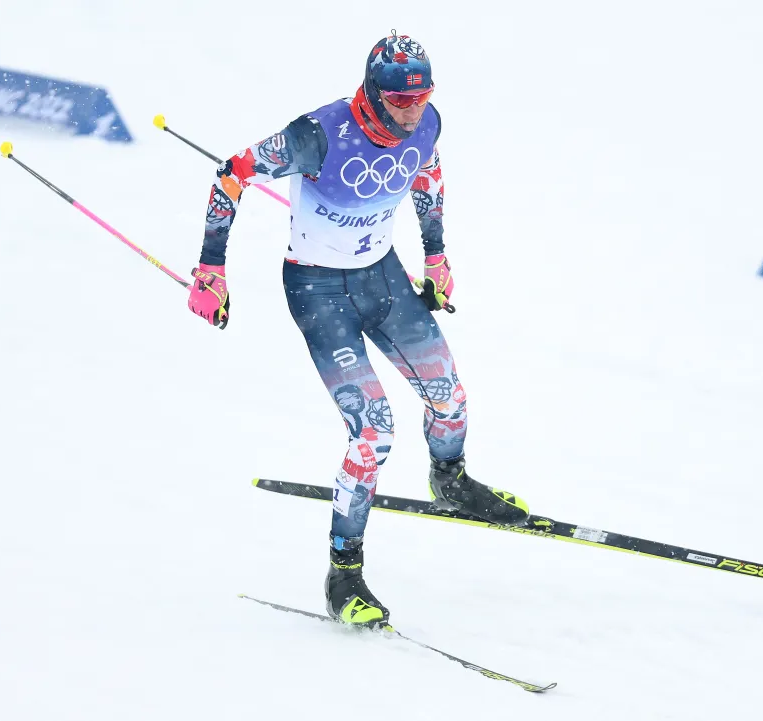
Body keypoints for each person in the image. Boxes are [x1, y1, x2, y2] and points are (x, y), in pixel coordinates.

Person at [185, 32, 529, 627]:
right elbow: (232, 173)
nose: (411, 111)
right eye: (399, 101)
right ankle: (343, 574)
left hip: (382, 279)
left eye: (420, 99)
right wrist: (211, 269)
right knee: (374, 433)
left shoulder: (426, 123)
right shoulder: (317, 134)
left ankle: (449, 479)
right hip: (320, 292)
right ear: (373, 92)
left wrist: (438, 257)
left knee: (450, 397)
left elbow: (428, 174)